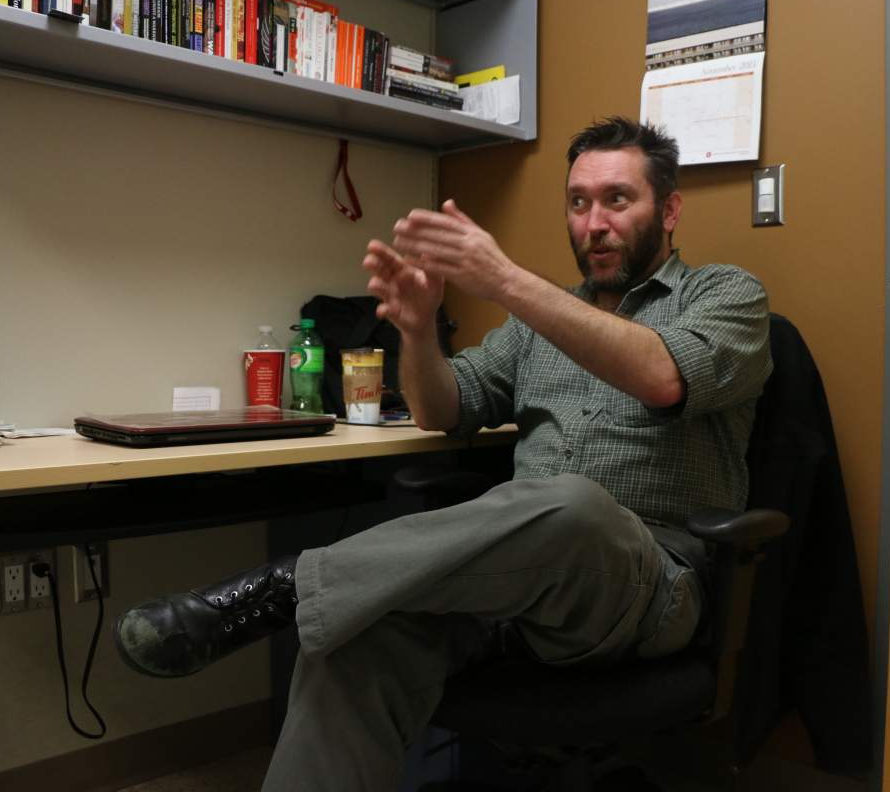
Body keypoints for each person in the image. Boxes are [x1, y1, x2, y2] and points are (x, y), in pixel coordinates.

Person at [112, 115, 772, 791]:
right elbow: (442, 407)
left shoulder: (726, 296)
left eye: (617, 200)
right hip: (511, 589)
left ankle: (286, 584)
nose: (593, 223)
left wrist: (507, 280)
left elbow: (665, 376)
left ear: (669, 210)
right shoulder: (534, 326)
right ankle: (306, 594)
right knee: (351, 634)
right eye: (578, 202)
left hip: (646, 586)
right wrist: (420, 332)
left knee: (574, 507)